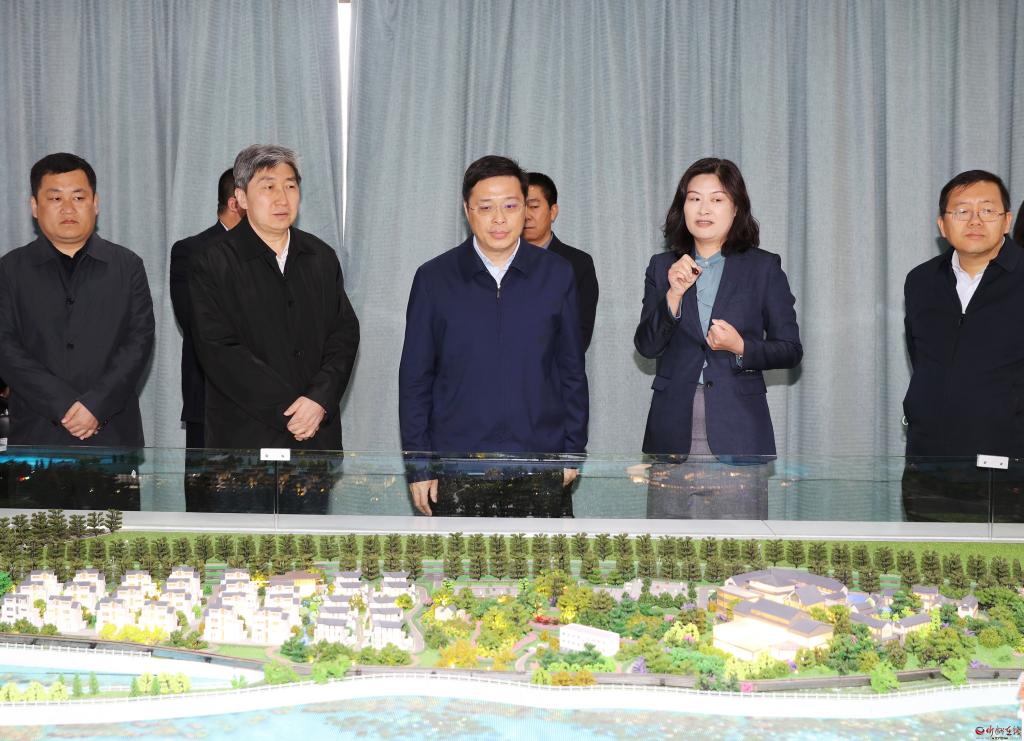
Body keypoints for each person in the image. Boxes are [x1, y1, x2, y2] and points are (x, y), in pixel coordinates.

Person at [399, 155, 589, 517]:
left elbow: (571, 371)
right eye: (486, 207)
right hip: (456, 465)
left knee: (541, 557)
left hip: (540, 461)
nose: (499, 218)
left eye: (511, 206)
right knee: (459, 558)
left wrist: (571, 452)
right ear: (467, 211)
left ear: (525, 209)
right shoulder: (434, 278)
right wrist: (419, 465)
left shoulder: (557, 274)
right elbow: (415, 380)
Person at [189, 144, 360, 513]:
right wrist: (292, 410)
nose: (282, 198)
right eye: (268, 186)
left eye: (290, 186)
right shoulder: (212, 261)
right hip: (243, 449)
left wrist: (318, 401)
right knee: (242, 549)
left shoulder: (320, 257)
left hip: (313, 444)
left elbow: (344, 335)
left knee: (306, 549)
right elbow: (218, 349)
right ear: (241, 198)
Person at [634, 157, 802, 519]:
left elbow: (790, 349)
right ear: (682, 207)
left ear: (736, 208)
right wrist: (673, 295)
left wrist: (741, 347)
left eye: (717, 199)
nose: (704, 209)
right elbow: (646, 346)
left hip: (739, 429)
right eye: (694, 199)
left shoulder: (762, 267)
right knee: (670, 547)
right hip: (673, 430)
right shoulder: (663, 267)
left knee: (737, 547)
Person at [0, 152, 154, 508]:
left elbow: (139, 342)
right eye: (55, 198)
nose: (68, 208)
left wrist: (95, 406)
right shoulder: (10, 270)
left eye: (78, 197)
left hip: (111, 438)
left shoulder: (127, 266)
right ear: (35, 206)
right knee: (37, 542)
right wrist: (64, 405)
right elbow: (5, 347)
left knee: (115, 540)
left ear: (95, 203)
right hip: (37, 440)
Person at [902, 170, 1022, 522]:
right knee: (927, 557)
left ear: (1007, 221)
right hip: (929, 465)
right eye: (962, 211)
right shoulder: (921, 280)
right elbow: (921, 357)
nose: (974, 221)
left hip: (1010, 470)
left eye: (987, 210)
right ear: (943, 224)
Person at [169, 168, 245, 449]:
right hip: (210, 397)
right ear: (235, 203)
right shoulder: (191, 251)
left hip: (268, 406)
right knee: (206, 477)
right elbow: (195, 321)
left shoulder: (277, 252)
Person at [524, 172, 599, 351]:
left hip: (553, 367)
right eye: (518, 207)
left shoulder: (577, 264)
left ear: (553, 211)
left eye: (533, 206)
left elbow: (579, 336)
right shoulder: (499, 260)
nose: (526, 215)